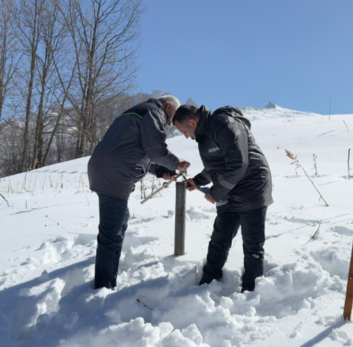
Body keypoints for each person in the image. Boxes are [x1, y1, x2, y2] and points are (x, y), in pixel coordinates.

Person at [88, 95, 190, 290]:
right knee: (111, 233)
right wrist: (177, 163)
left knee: (120, 218)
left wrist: (162, 171)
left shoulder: (137, 112)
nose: (170, 124)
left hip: (103, 169)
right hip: (115, 175)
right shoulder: (153, 113)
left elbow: (137, 151)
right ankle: (103, 286)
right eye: (172, 118)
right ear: (169, 107)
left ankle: (108, 272)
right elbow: (155, 150)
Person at [173, 104, 273, 292]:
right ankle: (207, 284)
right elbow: (216, 166)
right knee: (219, 239)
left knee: (252, 244)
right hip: (230, 191)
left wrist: (216, 192)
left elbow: (238, 164)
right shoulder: (204, 137)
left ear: (193, 122)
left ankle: (251, 291)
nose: (186, 136)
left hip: (252, 188)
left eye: (184, 131)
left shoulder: (224, 124)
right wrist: (198, 181)